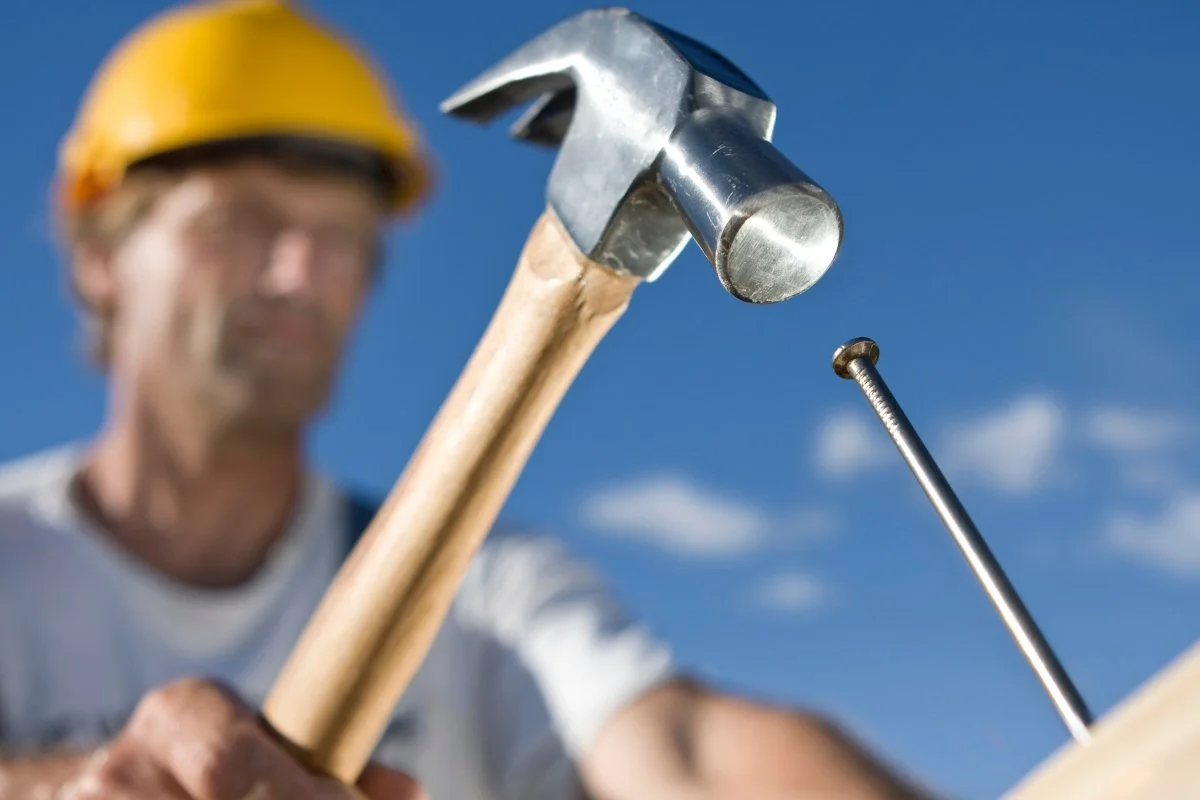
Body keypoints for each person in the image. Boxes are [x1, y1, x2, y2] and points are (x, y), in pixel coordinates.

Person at [0, 1, 936, 798]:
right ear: (99, 257)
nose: (299, 274)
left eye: (340, 234)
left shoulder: (491, 595)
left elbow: (687, 752)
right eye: (240, 222)